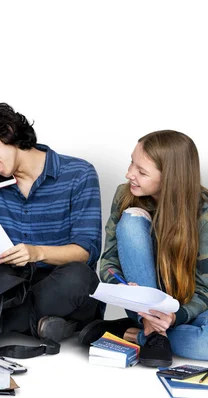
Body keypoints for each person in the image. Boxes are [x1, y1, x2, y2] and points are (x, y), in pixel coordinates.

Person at [0, 102, 102, 342]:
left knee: (79, 277)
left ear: (7, 131)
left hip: (59, 283)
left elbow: (86, 252)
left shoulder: (79, 173)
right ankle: (41, 326)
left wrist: (36, 253)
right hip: (9, 284)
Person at [79, 130, 208, 366]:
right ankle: (151, 329)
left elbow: (205, 288)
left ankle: (135, 334)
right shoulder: (125, 195)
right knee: (131, 219)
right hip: (142, 303)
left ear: (170, 177)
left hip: (188, 308)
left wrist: (174, 316)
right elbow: (109, 262)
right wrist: (127, 291)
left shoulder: (204, 214)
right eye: (132, 162)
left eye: (142, 171)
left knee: (205, 343)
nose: (129, 174)